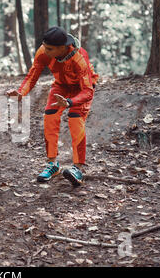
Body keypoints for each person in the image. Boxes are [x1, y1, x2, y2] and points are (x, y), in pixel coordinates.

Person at [7, 26, 98, 187]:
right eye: (44, 46)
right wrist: (21, 93)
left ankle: (77, 169)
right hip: (60, 86)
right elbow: (33, 74)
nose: (44, 50)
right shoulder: (43, 52)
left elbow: (88, 91)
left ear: (62, 48)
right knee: (49, 116)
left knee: (75, 120)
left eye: (49, 49)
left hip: (81, 90)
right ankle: (52, 164)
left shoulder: (79, 58)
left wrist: (70, 102)